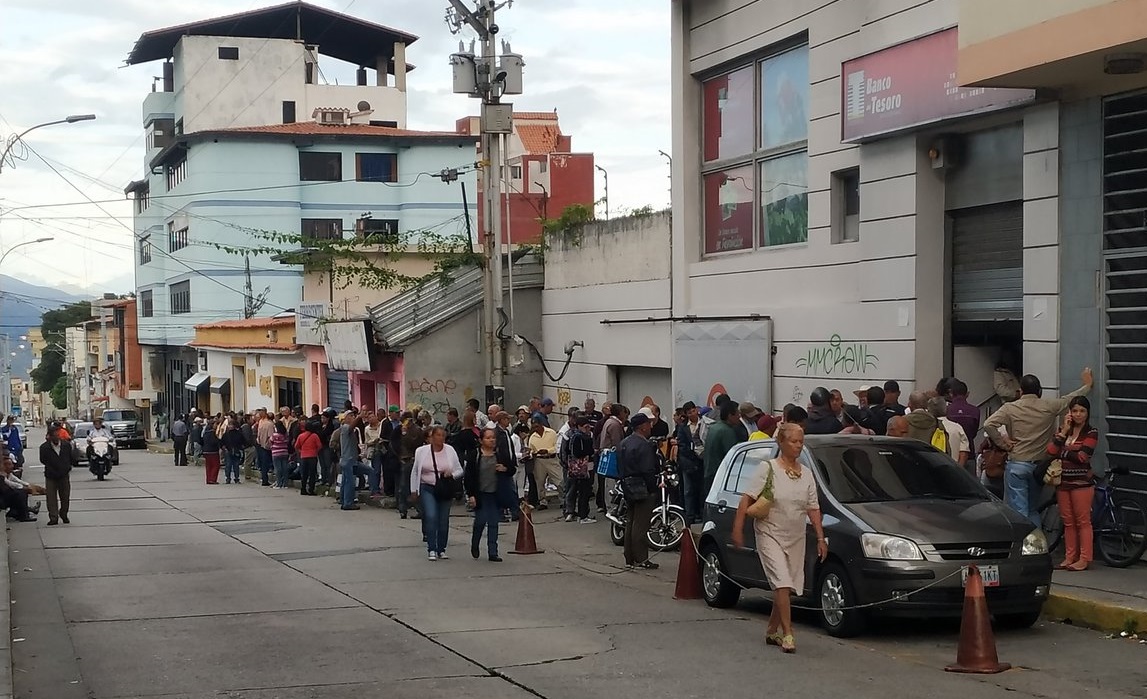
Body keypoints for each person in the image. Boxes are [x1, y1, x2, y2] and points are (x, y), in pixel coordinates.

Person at [732, 423, 826, 653]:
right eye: (793, 441)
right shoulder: (768, 468)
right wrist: (738, 528)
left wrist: (821, 538)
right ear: (782, 443)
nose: (798, 446)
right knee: (781, 581)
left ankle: (772, 630)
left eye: (801, 442)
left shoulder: (806, 474)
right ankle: (788, 633)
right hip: (769, 532)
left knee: (787, 586)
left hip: (795, 535)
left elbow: (813, 508)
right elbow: (746, 499)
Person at [984, 368, 1093, 524]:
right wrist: (1087, 385)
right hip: (1040, 467)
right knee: (1032, 509)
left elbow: (989, 424)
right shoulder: (1049, 405)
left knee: (1019, 512)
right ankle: (1037, 546)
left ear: (1021, 391)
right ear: (1040, 390)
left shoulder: (1010, 408)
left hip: (1017, 465)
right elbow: (1070, 399)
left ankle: (1023, 547)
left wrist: (1004, 443)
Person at [1047, 396, 1099, 572]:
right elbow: (1051, 450)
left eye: (1082, 411)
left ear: (1087, 413)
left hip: (1081, 484)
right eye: (1074, 411)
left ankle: (1084, 558)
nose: (1078, 414)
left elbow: (1083, 457)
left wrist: (1063, 453)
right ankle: (1070, 556)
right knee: (1068, 522)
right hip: (1063, 482)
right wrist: (1063, 431)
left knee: (1083, 521)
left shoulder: (1091, 432)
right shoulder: (1065, 431)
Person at [411, 426, 464, 561]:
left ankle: (441, 548)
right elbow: (416, 471)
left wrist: (451, 474)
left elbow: (459, 470)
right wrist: (413, 489)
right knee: (431, 515)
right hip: (427, 487)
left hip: (444, 488)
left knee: (443, 519)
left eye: (443, 436)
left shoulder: (450, 451)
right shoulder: (421, 451)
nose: (441, 438)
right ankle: (432, 548)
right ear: (431, 437)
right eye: (438, 435)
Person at [616, 413, 660, 569]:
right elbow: (648, 469)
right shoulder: (644, 445)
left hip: (626, 484)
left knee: (630, 521)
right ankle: (641, 558)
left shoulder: (623, 443)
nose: (650, 427)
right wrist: (653, 488)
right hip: (641, 486)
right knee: (641, 524)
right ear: (642, 426)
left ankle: (629, 557)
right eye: (648, 424)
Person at [466, 427, 514, 561]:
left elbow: (512, 469)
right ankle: (475, 543)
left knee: (494, 522)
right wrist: (471, 495)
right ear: (481, 440)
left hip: (495, 494)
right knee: (480, 521)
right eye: (488, 438)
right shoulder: (475, 455)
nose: (491, 440)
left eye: (493, 437)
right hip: (480, 494)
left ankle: (493, 552)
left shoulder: (500, 454)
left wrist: (504, 468)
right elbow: (469, 477)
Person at [39, 425, 76, 525]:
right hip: (51, 475)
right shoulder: (44, 447)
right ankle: (53, 517)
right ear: (50, 437)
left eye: (57, 435)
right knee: (51, 497)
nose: (56, 438)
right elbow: (43, 460)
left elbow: (71, 457)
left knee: (65, 496)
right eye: (54, 436)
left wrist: (67, 467)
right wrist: (52, 468)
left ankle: (63, 514)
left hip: (64, 475)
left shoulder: (66, 445)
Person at [703, 400, 743, 495]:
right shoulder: (727, 431)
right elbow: (733, 457)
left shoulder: (714, 427)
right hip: (720, 475)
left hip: (709, 472)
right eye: (737, 414)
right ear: (730, 415)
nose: (739, 417)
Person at [597, 403, 628, 512]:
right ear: (620, 413)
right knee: (612, 483)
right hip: (612, 456)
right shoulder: (615, 425)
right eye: (624, 412)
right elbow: (617, 443)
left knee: (608, 483)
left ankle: (609, 506)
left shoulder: (609, 422)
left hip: (606, 454)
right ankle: (612, 507)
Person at [566, 417, 597, 523]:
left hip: (580, 467)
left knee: (584, 490)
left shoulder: (577, 436)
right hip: (582, 468)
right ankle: (583, 515)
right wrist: (591, 451)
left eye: (589, 426)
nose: (588, 429)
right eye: (585, 427)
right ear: (579, 426)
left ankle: (581, 514)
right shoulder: (579, 437)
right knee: (584, 491)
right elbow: (578, 452)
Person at [528, 419, 563, 511]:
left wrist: (547, 450)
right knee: (540, 482)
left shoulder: (551, 433)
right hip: (539, 460)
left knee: (559, 480)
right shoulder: (532, 437)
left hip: (551, 458)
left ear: (541, 425)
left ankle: (563, 500)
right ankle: (542, 501)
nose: (535, 429)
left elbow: (556, 447)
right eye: (534, 427)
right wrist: (533, 453)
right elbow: (530, 449)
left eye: (537, 426)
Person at [338, 411, 369, 511]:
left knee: (345, 481)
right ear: (346, 418)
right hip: (348, 459)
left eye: (353, 416)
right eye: (351, 416)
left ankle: (344, 500)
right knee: (350, 482)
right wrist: (359, 417)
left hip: (348, 459)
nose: (353, 417)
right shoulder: (345, 427)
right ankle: (348, 502)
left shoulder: (346, 429)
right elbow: (351, 426)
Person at [399, 412, 426, 520]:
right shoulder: (404, 429)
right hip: (405, 459)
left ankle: (419, 509)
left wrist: (405, 434)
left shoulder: (416, 430)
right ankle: (403, 509)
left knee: (411, 486)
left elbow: (411, 444)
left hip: (412, 459)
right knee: (403, 487)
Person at [946, 379, 980, 448]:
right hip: (969, 449)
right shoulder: (975, 410)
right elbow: (974, 433)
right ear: (967, 394)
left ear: (951, 394)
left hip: (949, 450)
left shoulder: (946, 410)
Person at [294, 419, 323, 496]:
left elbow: (296, 446)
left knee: (304, 474)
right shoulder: (314, 436)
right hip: (312, 456)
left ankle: (303, 489)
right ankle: (311, 489)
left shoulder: (301, 436)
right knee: (312, 474)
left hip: (304, 456)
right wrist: (315, 451)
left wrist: (301, 451)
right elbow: (319, 446)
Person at [221, 419, 246, 485]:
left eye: (231, 425)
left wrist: (241, 448)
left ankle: (236, 478)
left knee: (236, 465)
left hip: (236, 451)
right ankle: (228, 478)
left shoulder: (238, 434)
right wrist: (224, 448)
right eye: (229, 425)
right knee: (228, 465)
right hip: (228, 451)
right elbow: (221, 443)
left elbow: (243, 442)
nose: (230, 426)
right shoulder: (226, 434)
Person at [256, 409, 275, 486]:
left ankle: (264, 479)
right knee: (266, 464)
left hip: (261, 445)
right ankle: (265, 480)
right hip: (267, 446)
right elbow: (271, 436)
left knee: (263, 464)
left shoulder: (262, 424)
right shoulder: (270, 425)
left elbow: (258, 435)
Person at [269, 420, 290, 489]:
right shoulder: (285, 434)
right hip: (284, 452)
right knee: (285, 468)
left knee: (278, 469)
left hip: (276, 453)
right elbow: (287, 441)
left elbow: (271, 442)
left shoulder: (274, 435)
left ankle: (279, 483)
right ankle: (285, 484)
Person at [202, 418, 222, 485]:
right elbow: (214, 442)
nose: (216, 426)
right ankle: (213, 479)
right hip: (213, 451)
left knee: (208, 466)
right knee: (215, 465)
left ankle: (208, 478)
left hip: (206, 451)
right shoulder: (212, 433)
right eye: (216, 424)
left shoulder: (205, 433)